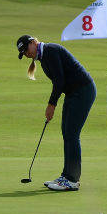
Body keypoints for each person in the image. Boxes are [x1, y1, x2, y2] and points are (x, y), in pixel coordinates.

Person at [16, 34, 96, 191]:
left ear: (33, 42)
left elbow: (59, 81)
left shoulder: (50, 51)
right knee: (67, 132)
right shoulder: (43, 58)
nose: (26, 54)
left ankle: (72, 180)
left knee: (72, 134)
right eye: (23, 53)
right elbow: (59, 82)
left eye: (26, 49)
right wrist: (53, 104)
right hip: (73, 93)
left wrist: (51, 105)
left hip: (83, 91)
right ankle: (66, 176)